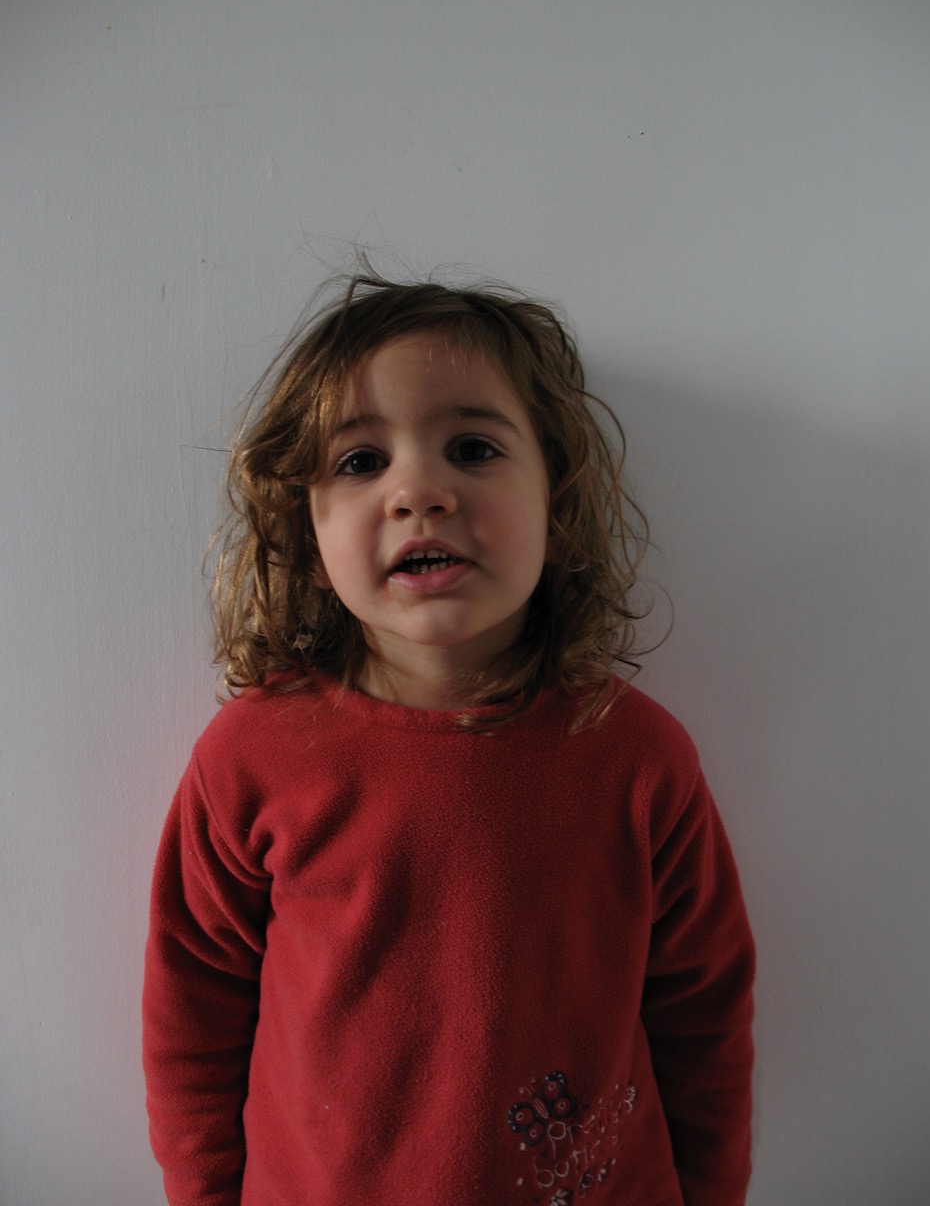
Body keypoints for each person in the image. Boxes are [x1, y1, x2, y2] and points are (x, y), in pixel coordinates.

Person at [142, 268, 755, 1206]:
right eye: (360, 461)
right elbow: (193, 1015)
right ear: (305, 526)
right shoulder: (251, 759)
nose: (418, 490)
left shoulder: (637, 757)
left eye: (472, 448)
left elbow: (703, 1013)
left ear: (556, 498)